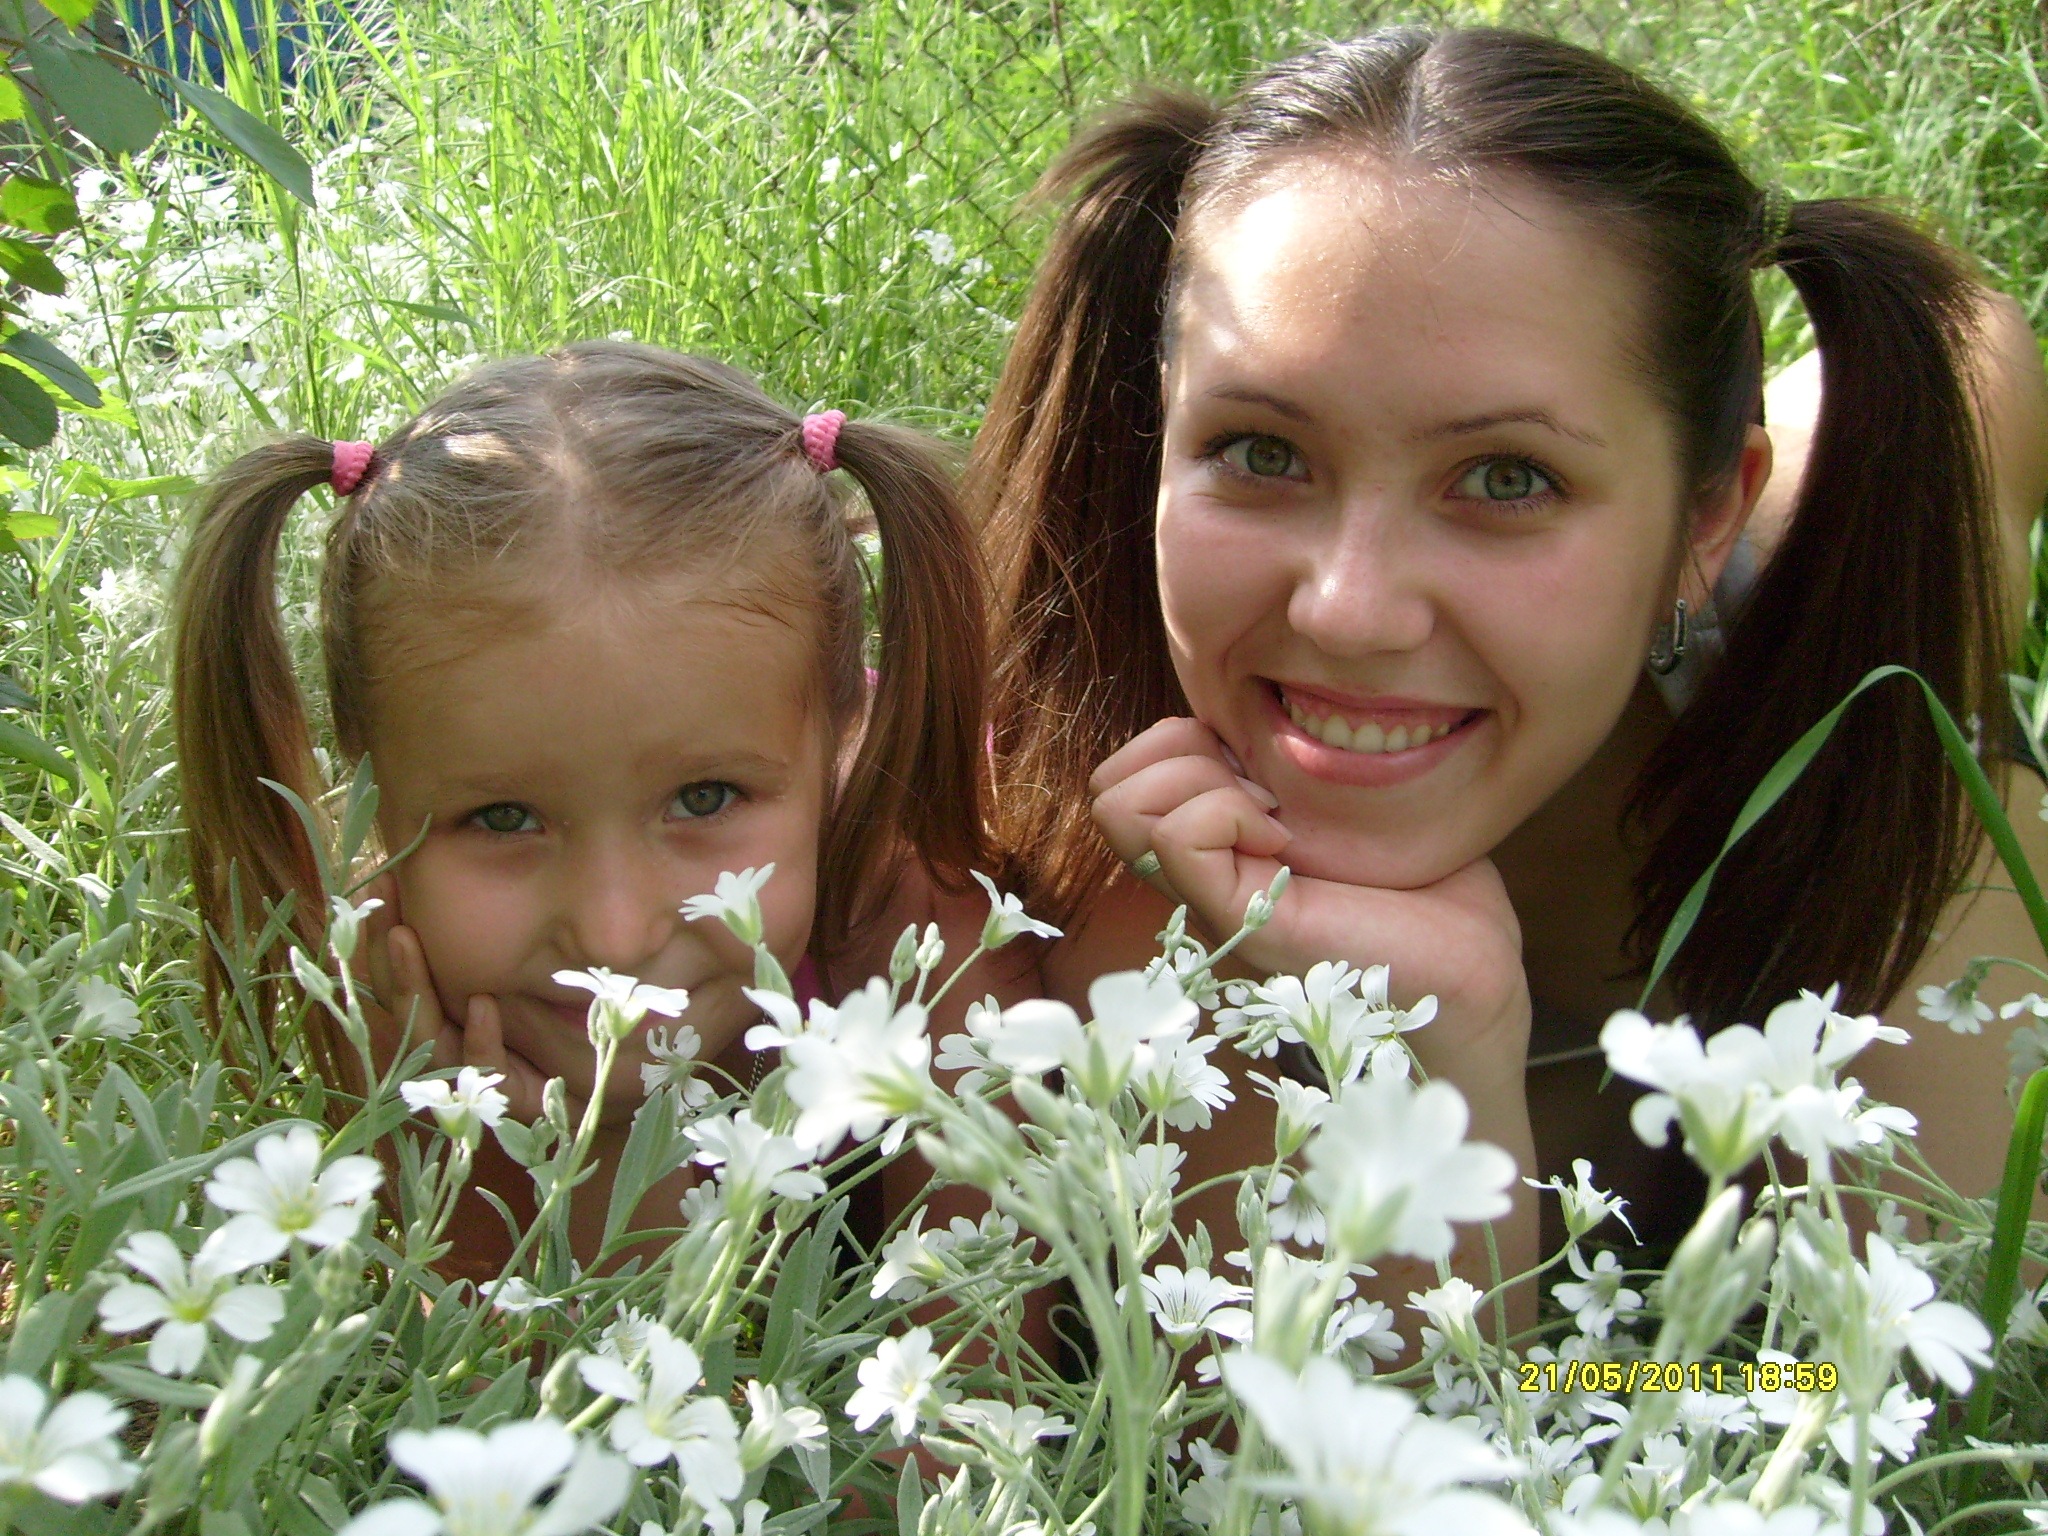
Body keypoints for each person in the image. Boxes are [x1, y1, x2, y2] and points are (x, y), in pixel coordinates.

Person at [962, 27, 2048, 1301]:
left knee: (1971, 387)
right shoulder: (1100, 854)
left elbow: (1852, 1385)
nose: (1350, 612)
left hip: (1779, 603)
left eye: (1504, 477)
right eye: (1259, 451)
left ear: (1702, 514)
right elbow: (1334, 1410)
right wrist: (1451, 1055)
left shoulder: (1896, 847)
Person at [171, 341, 989, 1269]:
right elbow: (511, 1348)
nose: (614, 936)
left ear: (836, 744)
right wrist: (583, 1163)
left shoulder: (932, 944)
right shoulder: (389, 988)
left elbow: (977, 1341)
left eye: (704, 798)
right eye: (504, 818)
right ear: (370, 797)